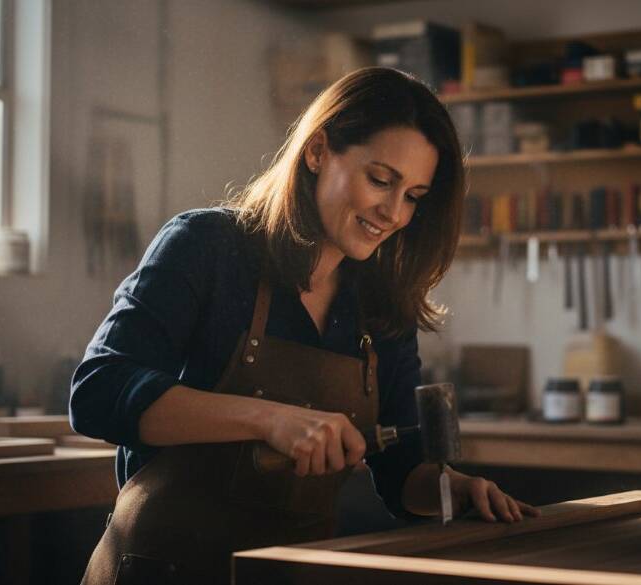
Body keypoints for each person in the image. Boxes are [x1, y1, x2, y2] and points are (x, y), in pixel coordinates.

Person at [71, 66, 538, 585]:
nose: (394, 212)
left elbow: (403, 469)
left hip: (286, 575)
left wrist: (450, 488)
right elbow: (98, 392)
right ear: (317, 151)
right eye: (381, 180)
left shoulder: (380, 304)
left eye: (413, 196)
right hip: (157, 570)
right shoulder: (207, 247)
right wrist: (270, 420)